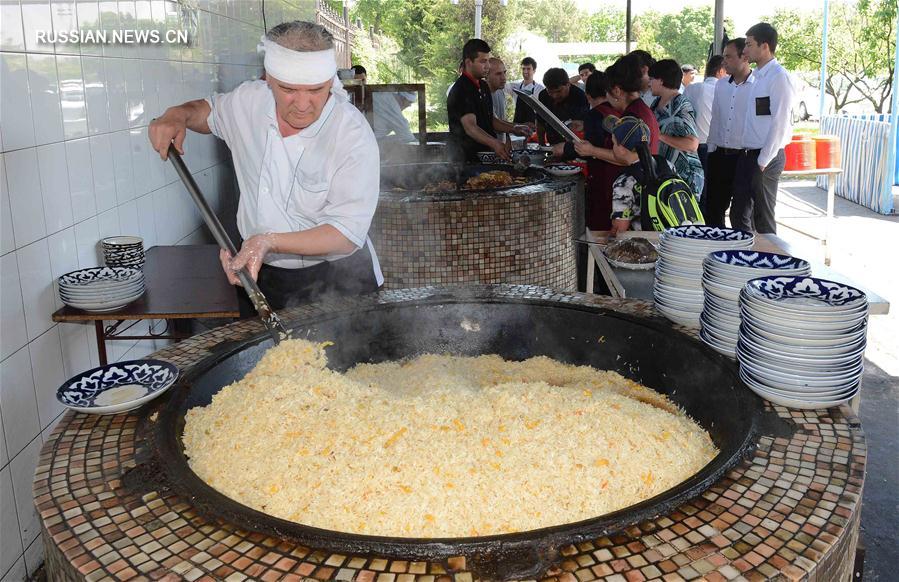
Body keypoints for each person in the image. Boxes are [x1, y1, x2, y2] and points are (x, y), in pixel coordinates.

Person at [148, 21, 382, 314]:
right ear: (269, 78)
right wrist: (177, 114)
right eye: (288, 89)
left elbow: (345, 235)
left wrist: (266, 242)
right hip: (262, 276)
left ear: (330, 82)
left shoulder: (352, 135)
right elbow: (207, 112)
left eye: (316, 90)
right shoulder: (249, 101)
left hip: (339, 279)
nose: (303, 104)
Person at [733, 22, 796, 234]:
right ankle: (746, 259)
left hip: (766, 156)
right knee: (739, 213)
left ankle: (770, 262)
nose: (745, 50)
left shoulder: (778, 77)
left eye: (749, 45)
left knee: (763, 218)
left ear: (765, 46)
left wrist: (763, 160)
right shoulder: (758, 77)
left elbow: (781, 122)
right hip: (748, 153)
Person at [552, 71, 620, 230]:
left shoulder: (594, 114)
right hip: (621, 176)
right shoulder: (617, 110)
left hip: (603, 177)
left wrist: (565, 148)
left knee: (600, 222)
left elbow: (590, 148)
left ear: (588, 95)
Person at [446, 39, 530, 162]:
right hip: (465, 159)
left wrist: (514, 128)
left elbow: (491, 120)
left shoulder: (483, 86)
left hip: (486, 157)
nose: (487, 66)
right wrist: (495, 143)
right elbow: (470, 127)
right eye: (483, 61)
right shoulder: (461, 89)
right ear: (469, 62)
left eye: (488, 61)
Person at [705, 38, 755, 228]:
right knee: (713, 211)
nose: (724, 61)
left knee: (741, 213)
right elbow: (716, 118)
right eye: (724, 56)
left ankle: (743, 254)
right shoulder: (721, 85)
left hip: (744, 156)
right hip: (719, 155)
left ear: (745, 57)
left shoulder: (757, 86)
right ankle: (715, 252)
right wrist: (711, 149)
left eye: (729, 56)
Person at [648, 59, 705, 199]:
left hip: (684, 177)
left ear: (661, 81)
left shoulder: (681, 105)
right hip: (664, 174)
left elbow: (692, 144)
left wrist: (659, 136)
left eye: (652, 79)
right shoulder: (656, 104)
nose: (649, 83)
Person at [683, 55, 725, 203]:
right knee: (710, 191)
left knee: (694, 190)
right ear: (720, 71)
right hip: (711, 146)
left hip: (688, 146)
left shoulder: (691, 89)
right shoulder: (723, 90)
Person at [353, 65, 417, 143]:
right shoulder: (390, 104)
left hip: (364, 137)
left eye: (363, 80)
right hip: (364, 141)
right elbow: (406, 134)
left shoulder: (383, 96)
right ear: (404, 99)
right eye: (409, 102)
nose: (409, 105)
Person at [536, 67, 589, 145]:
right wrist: (541, 145)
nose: (555, 96)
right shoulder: (543, 95)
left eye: (559, 91)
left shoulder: (579, 96)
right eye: (550, 92)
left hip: (574, 146)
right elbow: (540, 122)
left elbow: (581, 128)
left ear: (568, 84)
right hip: (552, 143)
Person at [509, 56, 544, 125]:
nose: (525, 71)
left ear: (534, 71)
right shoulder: (514, 86)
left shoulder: (540, 89)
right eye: (523, 69)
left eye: (528, 69)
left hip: (533, 126)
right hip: (517, 126)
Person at [487, 57, 511, 142]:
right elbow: (493, 122)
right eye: (498, 74)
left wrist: (508, 140)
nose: (503, 78)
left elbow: (502, 120)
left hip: (501, 148)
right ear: (487, 75)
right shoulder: (483, 94)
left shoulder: (501, 91)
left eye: (504, 73)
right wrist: (516, 127)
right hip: (488, 149)